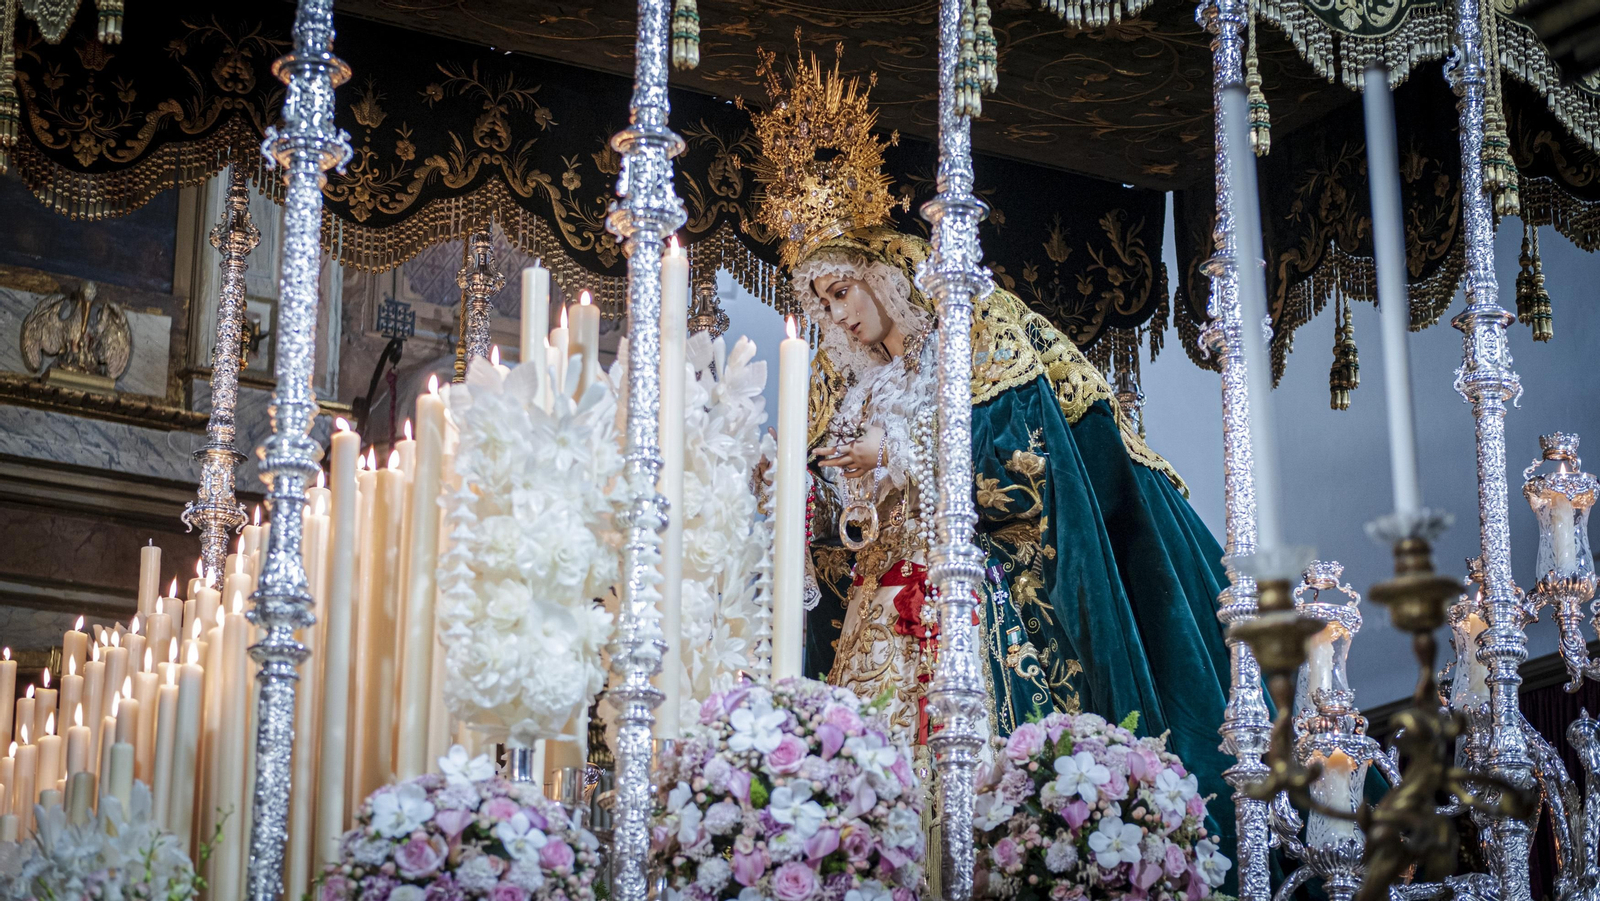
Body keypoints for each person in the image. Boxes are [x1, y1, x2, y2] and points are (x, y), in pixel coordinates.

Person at [747, 46, 1240, 867]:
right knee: (864, 764)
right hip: (878, 606)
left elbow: (1027, 461)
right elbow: (847, 531)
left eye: (843, 292)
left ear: (881, 274)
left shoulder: (969, 339)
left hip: (970, 593)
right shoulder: (851, 391)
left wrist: (896, 455)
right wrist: (810, 496)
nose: (839, 315)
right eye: (824, 303)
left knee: (968, 760)